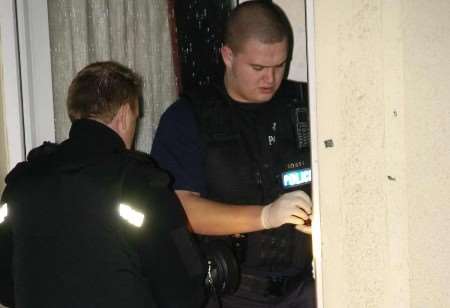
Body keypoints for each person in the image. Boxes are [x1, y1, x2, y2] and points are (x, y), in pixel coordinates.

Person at [0, 61, 205, 308]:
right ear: (125, 115)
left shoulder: (21, 184)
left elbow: (5, 285)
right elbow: (184, 292)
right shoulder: (139, 183)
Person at [151, 1, 315, 307]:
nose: (270, 79)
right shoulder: (189, 116)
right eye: (258, 68)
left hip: (305, 286)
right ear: (228, 55)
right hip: (232, 291)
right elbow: (180, 208)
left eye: (280, 65)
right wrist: (265, 216)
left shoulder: (305, 103)